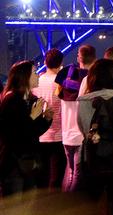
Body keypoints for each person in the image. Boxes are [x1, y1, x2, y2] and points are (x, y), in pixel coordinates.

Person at [77, 59, 113, 215]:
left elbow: (84, 130)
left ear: (92, 77)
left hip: (92, 159)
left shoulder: (83, 102)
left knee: (92, 206)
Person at [0, 61, 53, 197]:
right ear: (24, 76)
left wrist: (46, 119)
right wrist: (32, 117)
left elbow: (34, 131)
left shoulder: (31, 99)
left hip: (30, 161)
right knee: (15, 204)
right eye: (34, 72)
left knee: (28, 203)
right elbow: (12, 133)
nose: (38, 75)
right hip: (15, 162)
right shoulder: (11, 99)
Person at [55, 43, 96, 192]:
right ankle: (69, 205)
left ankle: (62, 202)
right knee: (79, 174)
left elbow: (57, 95)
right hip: (81, 134)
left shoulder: (65, 79)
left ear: (79, 57)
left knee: (70, 172)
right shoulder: (91, 81)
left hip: (67, 134)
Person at [33, 48, 66, 190]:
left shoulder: (36, 82)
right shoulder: (62, 83)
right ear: (61, 63)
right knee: (57, 176)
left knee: (42, 175)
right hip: (59, 134)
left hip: (40, 134)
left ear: (45, 62)